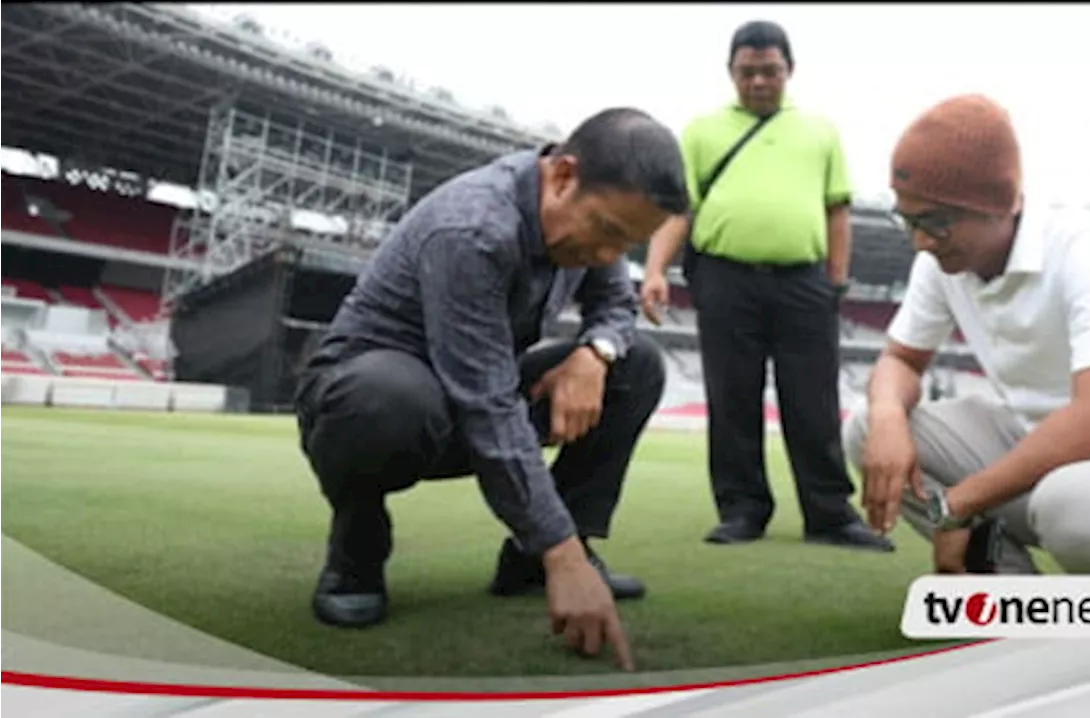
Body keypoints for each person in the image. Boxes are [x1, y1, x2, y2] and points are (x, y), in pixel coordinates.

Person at [293, 107, 689, 670]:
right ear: (562, 176)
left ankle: (527, 562)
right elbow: (486, 402)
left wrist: (594, 354)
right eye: (606, 233)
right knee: (389, 399)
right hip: (371, 402)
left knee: (637, 365)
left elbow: (616, 305)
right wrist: (565, 557)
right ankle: (356, 548)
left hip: (471, 394)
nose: (608, 256)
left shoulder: (593, 214)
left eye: (624, 244)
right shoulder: (473, 228)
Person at [843, 93, 1090, 575]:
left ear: (998, 204)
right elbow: (900, 360)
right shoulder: (942, 261)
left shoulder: (1087, 249)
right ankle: (1007, 598)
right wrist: (884, 418)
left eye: (936, 221)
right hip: (1041, 459)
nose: (921, 241)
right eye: (909, 220)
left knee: (1077, 504)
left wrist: (956, 506)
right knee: (867, 428)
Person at [639, 20, 893, 552]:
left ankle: (829, 513)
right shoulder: (701, 130)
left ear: (789, 71)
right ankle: (742, 509)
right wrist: (656, 269)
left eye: (770, 71)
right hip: (725, 279)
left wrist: (836, 284)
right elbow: (680, 209)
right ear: (731, 72)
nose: (758, 82)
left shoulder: (820, 131)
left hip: (805, 282)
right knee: (732, 398)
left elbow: (836, 210)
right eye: (747, 71)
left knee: (814, 400)